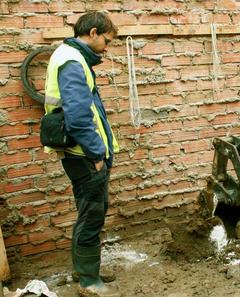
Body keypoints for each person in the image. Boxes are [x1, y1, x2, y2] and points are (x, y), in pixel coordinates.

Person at [44, 11, 120, 297]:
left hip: (80, 153)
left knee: (89, 210)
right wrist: (97, 153)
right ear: (93, 33)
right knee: (92, 214)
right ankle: (89, 282)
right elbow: (77, 118)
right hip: (84, 155)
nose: (107, 46)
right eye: (107, 40)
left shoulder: (69, 56)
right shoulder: (73, 62)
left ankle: (85, 271)